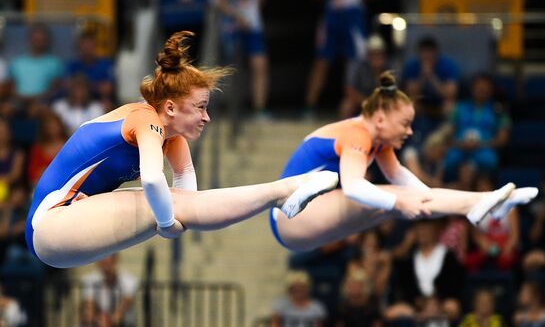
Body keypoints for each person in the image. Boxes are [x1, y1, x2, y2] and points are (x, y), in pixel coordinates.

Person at [24, 31, 339, 268]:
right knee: (169, 204)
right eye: (200, 107)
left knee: (178, 205)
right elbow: (151, 180)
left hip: (74, 219)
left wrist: (174, 222)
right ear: (171, 107)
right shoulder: (145, 119)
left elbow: (187, 193)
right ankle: (281, 191)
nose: (207, 117)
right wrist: (165, 223)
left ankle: (281, 192)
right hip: (51, 222)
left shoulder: (171, 135)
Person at [269, 71, 538, 253]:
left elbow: (412, 187)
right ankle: (477, 203)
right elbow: (353, 187)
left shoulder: (380, 141)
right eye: (405, 124)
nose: (410, 132)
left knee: (400, 200)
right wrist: (400, 202)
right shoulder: (358, 134)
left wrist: (441, 203)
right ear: (381, 119)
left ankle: (483, 205)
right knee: (388, 198)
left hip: (309, 223)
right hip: (290, 216)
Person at [213, 0, 270, 120]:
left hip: (253, 26)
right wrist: (237, 16)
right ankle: (228, 111)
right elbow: (217, 1)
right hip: (229, 28)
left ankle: (259, 110)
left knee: (260, 66)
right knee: (229, 70)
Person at [80, 254, 138, 327]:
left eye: (108, 263)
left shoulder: (128, 280)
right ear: (98, 263)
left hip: (121, 322)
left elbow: (126, 304)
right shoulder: (90, 280)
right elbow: (89, 306)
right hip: (98, 319)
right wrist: (98, 319)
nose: (106, 267)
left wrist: (111, 320)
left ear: (115, 261)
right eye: (103, 263)